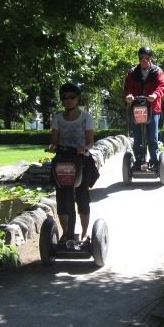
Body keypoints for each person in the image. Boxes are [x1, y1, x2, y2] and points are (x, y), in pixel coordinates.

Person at [48, 82, 99, 242]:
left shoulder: (86, 117)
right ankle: (66, 233)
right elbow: (55, 141)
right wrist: (52, 146)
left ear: (78, 99)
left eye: (72, 97)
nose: (68, 100)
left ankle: (84, 233)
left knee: (82, 196)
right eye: (65, 97)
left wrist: (83, 148)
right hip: (63, 161)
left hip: (81, 161)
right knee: (62, 198)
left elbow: (91, 141)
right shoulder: (58, 118)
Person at [124, 46, 164, 169]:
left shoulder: (157, 71)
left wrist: (155, 94)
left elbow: (162, 86)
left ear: (150, 59)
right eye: (141, 58)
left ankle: (154, 160)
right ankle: (138, 160)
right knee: (137, 137)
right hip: (137, 108)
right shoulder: (132, 72)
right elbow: (128, 87)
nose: (144, 60)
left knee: (152, 137)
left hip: (153, 108)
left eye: (146, 58)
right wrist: (129, 95)